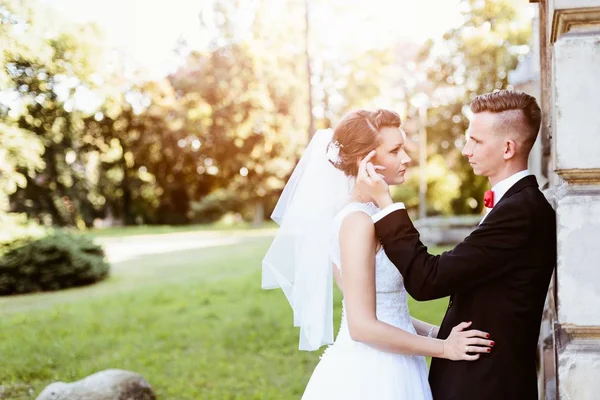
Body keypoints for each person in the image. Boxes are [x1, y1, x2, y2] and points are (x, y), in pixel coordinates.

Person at [262, 109, 492, 399]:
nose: (406, 158)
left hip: (398, 357)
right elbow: (361, 326)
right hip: (374, 373)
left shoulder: (374, 214)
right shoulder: (357, 222)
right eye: (395, 150)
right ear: (365, 161)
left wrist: (437, 333)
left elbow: (388, 310)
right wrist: (445, 349)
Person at [356, 91, 556, 400]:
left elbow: (427, 280)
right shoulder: (514, 205)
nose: (465, 150)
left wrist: (386, 204)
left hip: (488, 386)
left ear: (507, 148)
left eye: (476, 141)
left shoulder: (522, 211)